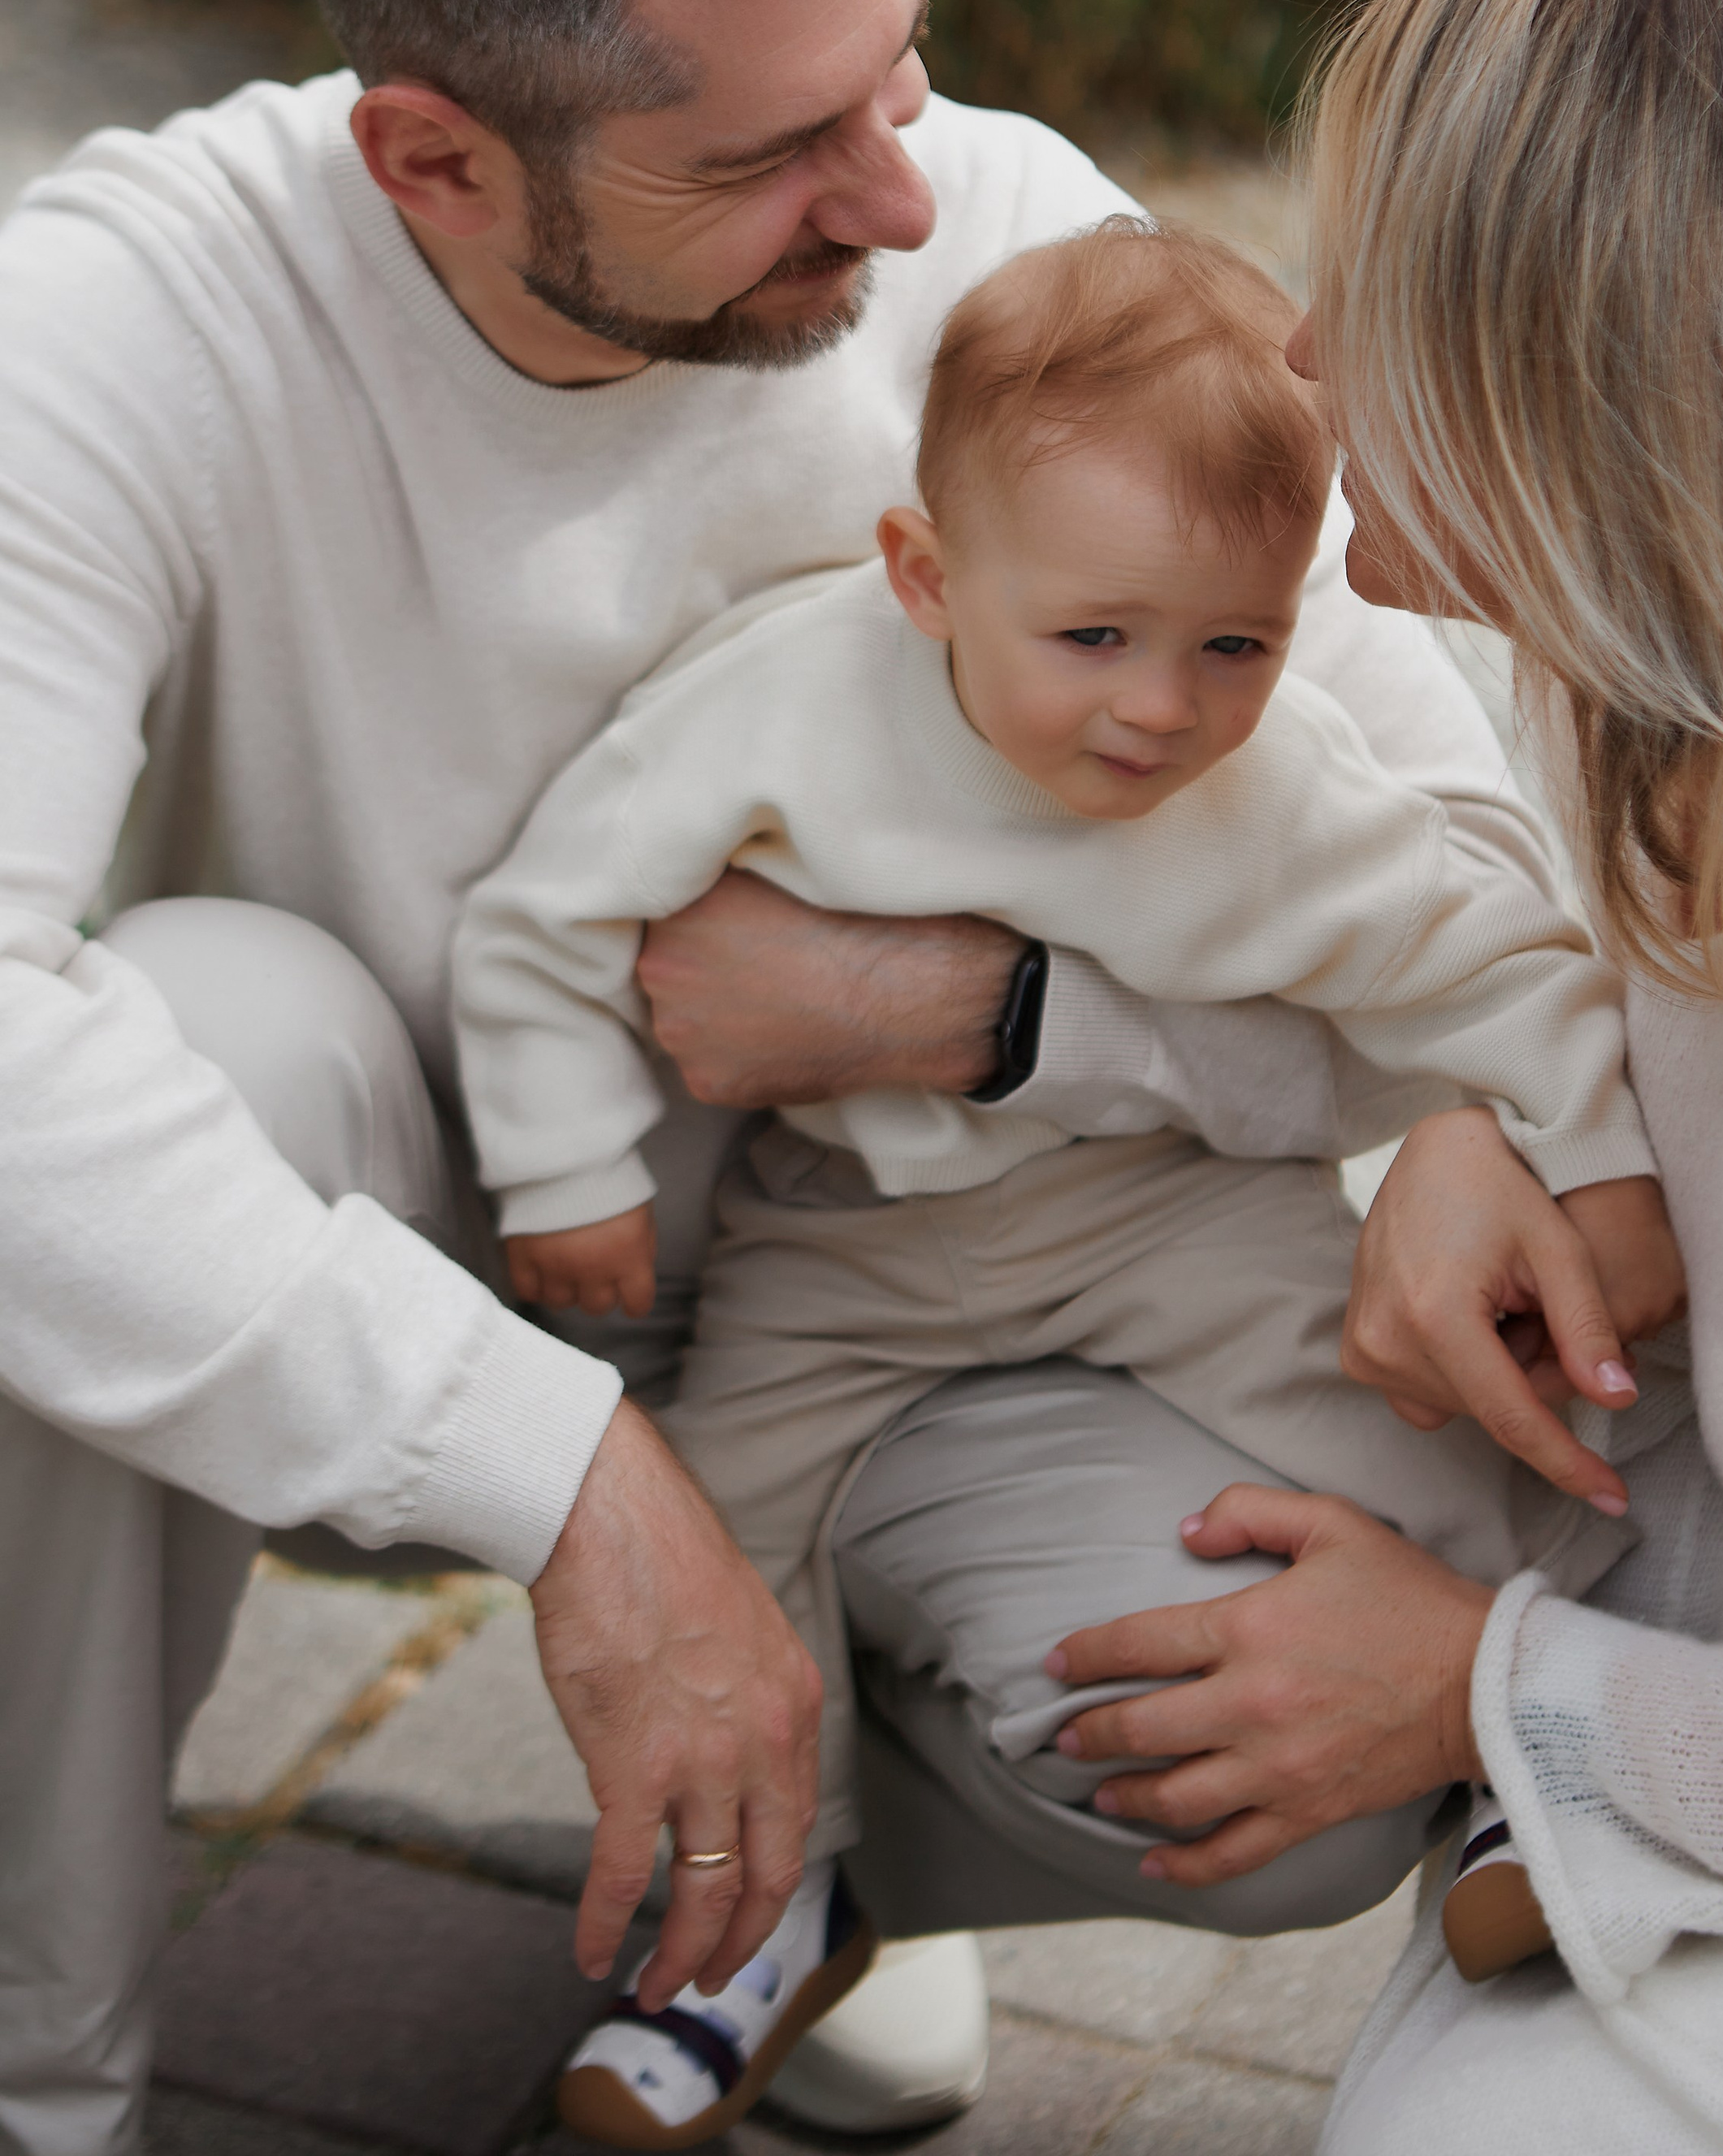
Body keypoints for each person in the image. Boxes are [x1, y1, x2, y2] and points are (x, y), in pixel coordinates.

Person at [0, 0, 1604, 2156]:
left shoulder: (1003, 240)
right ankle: (39, 2074)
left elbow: (1442, 832)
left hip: (941, 1298)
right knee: (181, 1038)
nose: (896, 201)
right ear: (432, 154)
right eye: (764, 156)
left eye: (904, 67)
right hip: (408, 1258)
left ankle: (821, 1880)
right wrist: (555, 1474)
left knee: (1274, 1753)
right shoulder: (118, 333)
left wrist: (1151, 1056)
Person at [1042, 0, 1723, 2153]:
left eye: (1370, 313)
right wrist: (1472, 1127)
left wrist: (1475, 1690)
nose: (1301, 364)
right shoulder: (1679, 747)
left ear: (1577, 414)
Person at [449, 218, 1651, 2146]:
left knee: (1382, 1411)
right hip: (847, 1231)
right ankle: (772, 1896)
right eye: (1091, 635)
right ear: (926, 577)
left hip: (1150, 1204)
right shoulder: (786, 700)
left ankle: (1538, 1748)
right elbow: (545, 915)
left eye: (1232, 644)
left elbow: (1497, 963)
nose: (1159, 709)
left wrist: (1589, 1166)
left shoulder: (1281, 794)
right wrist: (561, 1162)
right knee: (719, 1511)